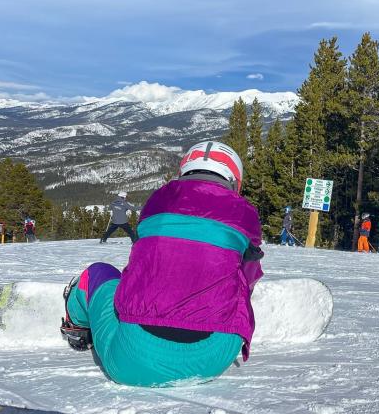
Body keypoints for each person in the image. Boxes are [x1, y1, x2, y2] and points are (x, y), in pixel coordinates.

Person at [60, 141, 265, 386]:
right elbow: (249, 277)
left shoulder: (158, 200)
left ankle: (78, 325)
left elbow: (142, 264)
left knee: (98, 273)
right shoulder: (246, 213)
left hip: (132, 360)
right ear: (235, 180)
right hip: (212, 358)